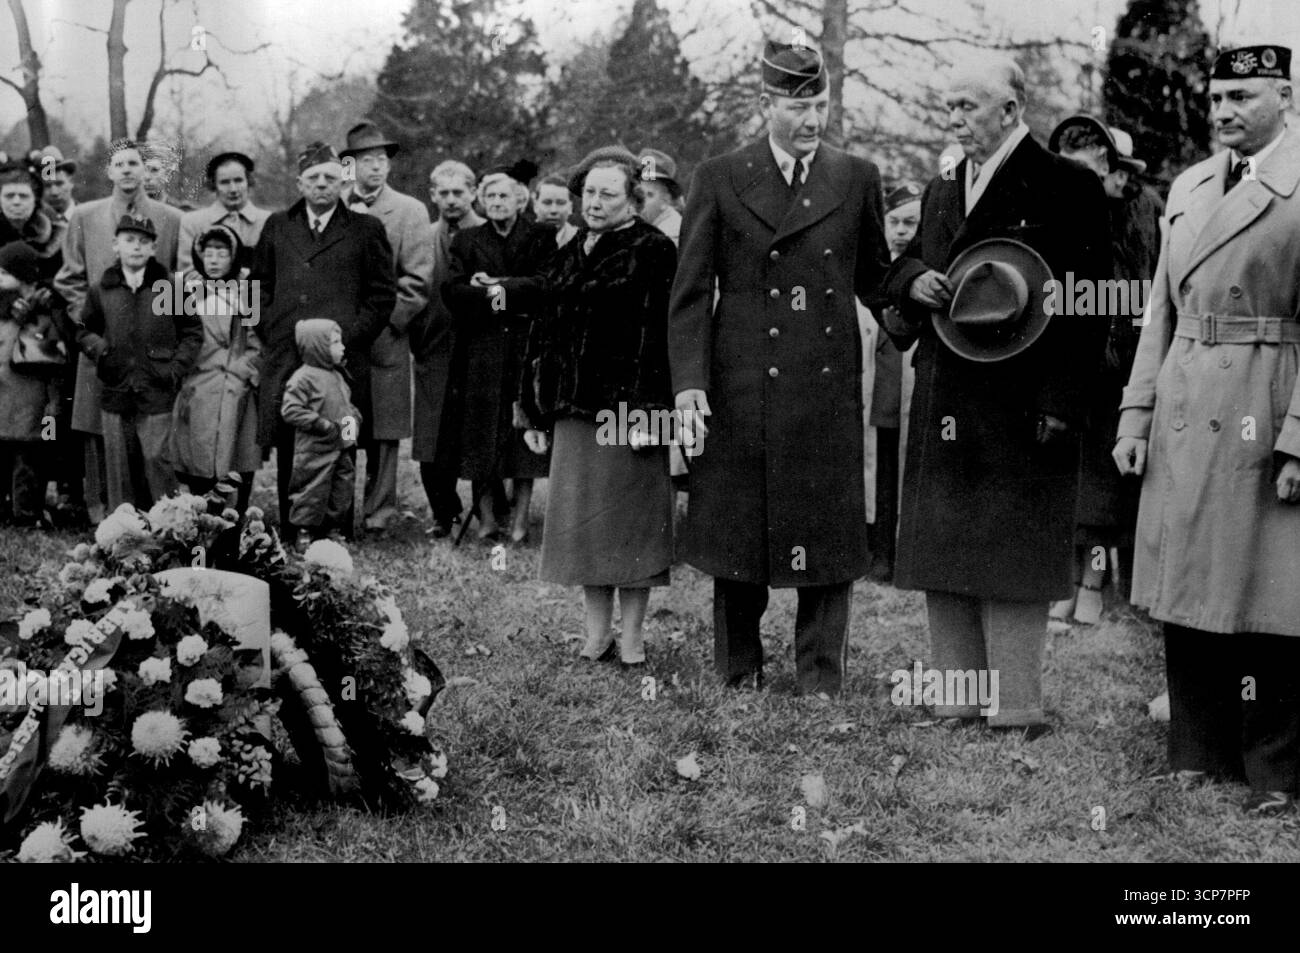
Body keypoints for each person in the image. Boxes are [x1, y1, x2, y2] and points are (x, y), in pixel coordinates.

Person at [878, 54, 1111, 735]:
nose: (953, 119)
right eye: (948, 107)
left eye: (967, 107)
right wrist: (913, 279)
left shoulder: (1067, 184)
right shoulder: (942, 186)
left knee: (1012, 548)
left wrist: (1063, 402)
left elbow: (1088, 302)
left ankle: (1016, 707)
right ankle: (955, 698)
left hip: (1026, 399)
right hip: (946, 388)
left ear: (1010, 111)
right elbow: (907, 263)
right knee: (943, 545)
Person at [668, 41, 891, 696]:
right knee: (739, 531)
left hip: (825, 390)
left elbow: (879, 277)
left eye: (820, 105)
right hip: (742, 386)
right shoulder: (718, 175)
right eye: (798, 106)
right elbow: (687, 297)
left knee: (827, 534)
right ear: (766, 105)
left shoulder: (856, 177)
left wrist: (926, 300)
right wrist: (689, 386)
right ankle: (738, 671)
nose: (812, 120)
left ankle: (821, 674)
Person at [1113, 45, 1300, 816]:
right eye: (1217, 96)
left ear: (1285, 97)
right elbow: (1160, 311)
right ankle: (1198, 749)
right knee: (1186, 581)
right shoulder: (1189, 186)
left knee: (1270, 596)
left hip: (1266, 392)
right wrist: (1136, 413)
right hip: (1188, 398)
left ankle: (1276, 769)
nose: (1223, 110)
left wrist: (1299, 439)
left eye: (1243, 96)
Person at [519, 150, 677, 667]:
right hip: (573, 409)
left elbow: (661, 340)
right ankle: (596, 634)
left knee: (630, 528)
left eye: (608, 193)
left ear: (634, 199)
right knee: (586, 527)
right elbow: (541, 331)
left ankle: (632, 636)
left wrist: (650, 415)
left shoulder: (653, 250)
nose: (595, 202)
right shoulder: (569, 250)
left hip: (627, 414)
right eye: (588, 192)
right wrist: (534, 410)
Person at [1049, 116, 1164, 627]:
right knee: (1071, 478)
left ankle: (1093, 586)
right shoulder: (1061, 213)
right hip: (1072, 362)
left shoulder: (1143, 215)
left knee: (1107, 481)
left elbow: (1152, 290)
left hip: (1125, 368)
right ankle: (1068, 584)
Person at [251, 141, 395, 537]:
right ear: (299, 183)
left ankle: (335, 528)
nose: (322, 185)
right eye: (313, 178)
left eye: (331, 178)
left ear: (342, 182)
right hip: (287, 354)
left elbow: (382, 296)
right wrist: (272, 328)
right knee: (291, 435)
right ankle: (292, 524)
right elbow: (258, 287)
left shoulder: (367, 229)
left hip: (342, 358)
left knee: (341, 437)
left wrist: (345, 340)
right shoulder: (277, 225)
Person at [56, 138, 182, 523]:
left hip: (150, 345)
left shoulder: (171, 219)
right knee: (100, 426)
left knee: (150, 431)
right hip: (101, 344)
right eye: (120, 164)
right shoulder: (86, 217)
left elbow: (177, 282)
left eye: (135, 163)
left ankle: (157, 514)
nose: (127, 170)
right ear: (109, 172)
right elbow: (69, 279)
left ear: (146, 170)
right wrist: (95, 323)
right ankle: (104, 512)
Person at [442, 160, 550, 543]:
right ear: (482, 201)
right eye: (490, 196)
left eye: (504, 195)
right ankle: (487, 519)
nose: (497, 202)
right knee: (480, 432)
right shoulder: (467, 241)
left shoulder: (540, 237)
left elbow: (543, 286)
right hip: (481, 349)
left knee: (523, 434)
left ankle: (520, 521)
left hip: (524, 346)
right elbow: (453, 292)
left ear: (519, 200)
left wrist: (495, 287)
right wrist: (504, 297)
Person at [340, 121, 433, 533]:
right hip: (340, 335)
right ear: (349, 166)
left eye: (381, 161)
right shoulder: (335, 205)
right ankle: (337, 509)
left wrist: (387, 322)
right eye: (365, 161)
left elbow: (417, 279)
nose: (375, 168)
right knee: (341, 419)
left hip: (385, 336)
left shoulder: (409, 211)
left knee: (384, 428)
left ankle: (379, 512)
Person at [75, 215, 201, 511]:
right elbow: (82, 329)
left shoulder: (170, 287)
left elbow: (192, 333)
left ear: (154, 248)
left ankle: (166, 529)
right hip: (116, 389)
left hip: (156, 389)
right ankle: (125, 534)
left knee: (157, 460)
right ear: (116, 245)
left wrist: (174, 368)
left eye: (144, 242)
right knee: (120, 467)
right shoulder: (101, 289)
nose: (136, 247)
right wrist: (102, 351)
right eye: (129, 240)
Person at [412, 160, 484, 537]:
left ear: (473, 193)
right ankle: (443, 512)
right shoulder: (422, 236)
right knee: (430, 434)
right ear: (432, 195)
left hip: (477, 348)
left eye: (460, 192)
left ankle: (488, 513)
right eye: (445, 193)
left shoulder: (487, 235)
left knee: (475, 429)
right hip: (434, 345)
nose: (452, 200)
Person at [170, 225, 262, 514]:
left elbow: (257, 339)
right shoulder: (181, 286)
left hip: (236, 384)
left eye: (221, 253)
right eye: (207, 253)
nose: (213, 260)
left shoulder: (248, 287)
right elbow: (170, 335)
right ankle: (201, 516)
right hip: (196, 382)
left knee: (238, 454)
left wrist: (244, 370)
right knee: (197, 453)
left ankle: (234, 517)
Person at [864, 181, 922, 583]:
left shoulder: (922, 270)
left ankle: (904, 555)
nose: (901, 231)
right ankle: (877, 553)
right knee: (878, 474)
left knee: (904, 472)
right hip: (877, 387)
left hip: (910, 383)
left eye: (911, 223)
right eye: (895, 222)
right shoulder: (871, 268)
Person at [0, 241, 66, 527]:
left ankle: (27, 513)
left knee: (33, 458)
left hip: (36, 401)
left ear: (24, 276)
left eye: (4, 272)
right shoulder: (5, 306)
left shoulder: (48, 310)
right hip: (12, 398)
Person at [281, 318, 360, 547]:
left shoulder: (337, 375)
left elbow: (345, 405)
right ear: (317, 347)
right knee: (310, 491)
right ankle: (304, 531)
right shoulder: (303, 378)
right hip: (315, 450)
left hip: (341, 448)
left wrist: (353, 421)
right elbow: (291, 410)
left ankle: (333, 530)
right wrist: (320, 424)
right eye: (335, 342)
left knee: (341, 490)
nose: (342, 347)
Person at [178, 152, 270, 279]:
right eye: (224, 182)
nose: (233, 189)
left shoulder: (269, 221)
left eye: (238, 180)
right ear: (213, 185)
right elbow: (187, 273)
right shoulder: (192, 222)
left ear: (248, 181)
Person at [0, 159, 66, 279]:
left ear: (35, 201)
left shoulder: (55, 237)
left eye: (24, 196)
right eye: (9, 196)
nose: (16, 202)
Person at [636, 148, 682, 245]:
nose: (640, 202)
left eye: (649, 195)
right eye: (637, 193)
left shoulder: (671, 235)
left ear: (666, 200)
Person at [532, 173, 579, 248]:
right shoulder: (519, 238)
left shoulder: (580, 241)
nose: (554, 210)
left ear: (570, 207)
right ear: (535, 206)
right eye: (547, 202)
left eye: (561, 203)